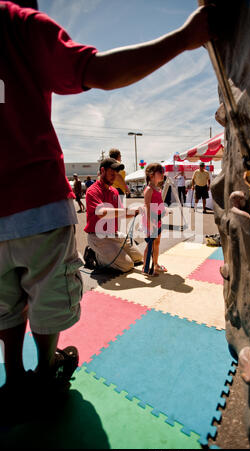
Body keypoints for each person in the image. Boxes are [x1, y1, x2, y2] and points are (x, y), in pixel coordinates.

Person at [0, 0, 217, 403]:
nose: (123, 174)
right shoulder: (16, 22)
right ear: (106, 171)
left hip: (62, 218)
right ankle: (45, 370)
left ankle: (14, 377)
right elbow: (97, 70)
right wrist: (186, 37)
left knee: (6, 300)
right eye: (117, 169)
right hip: (40, 204)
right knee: (52, 294)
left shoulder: (121, 189)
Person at [85, 158, 143, 273]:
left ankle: (112, 253)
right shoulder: (93, 191)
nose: (114, 177)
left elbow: (121, 213)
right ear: (102, 171)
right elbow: (102, 213)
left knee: (138, 258)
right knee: (127, 265)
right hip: (98, 236)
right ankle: (94, 255)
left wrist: (136, 211)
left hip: (114, 234)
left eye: (116, 174)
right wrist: (126, 210)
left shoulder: (114, 191)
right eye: (112, 173)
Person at [142, 163, 168, 276]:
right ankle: (145, 268)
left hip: (157, 219)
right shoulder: (149, 189)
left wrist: (164, 211)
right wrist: (149, 223)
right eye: (160, 172)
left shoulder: (158, 189)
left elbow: (159, 203)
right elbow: (147, 206)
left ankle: (156, 264)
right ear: (152, 175)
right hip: (151, 220)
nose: (163, 174)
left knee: (156, 243)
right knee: (150, 244)